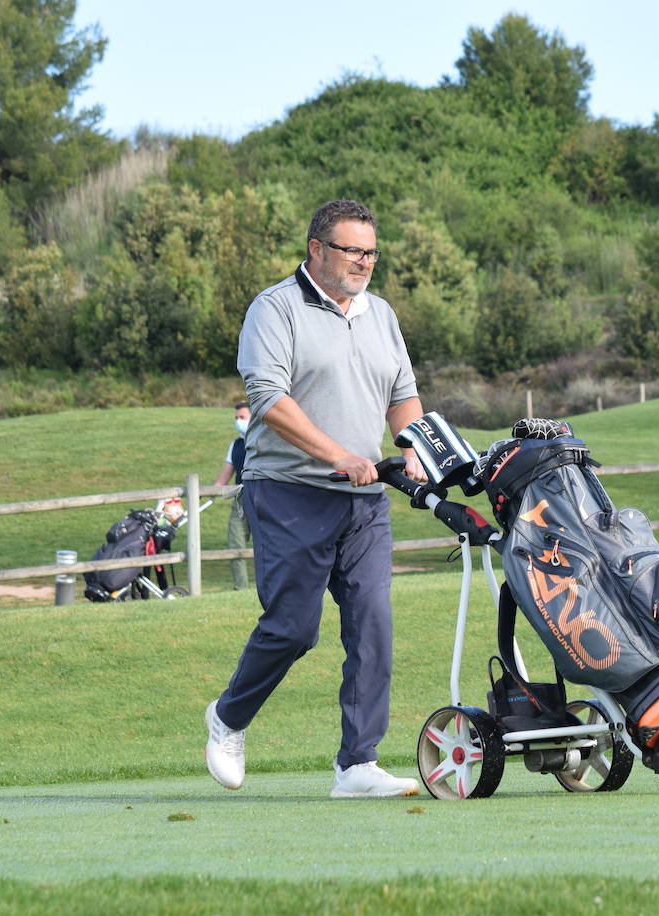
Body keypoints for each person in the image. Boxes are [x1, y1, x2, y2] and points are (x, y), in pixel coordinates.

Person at [204, 199, 428, 797]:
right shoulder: (275, 309)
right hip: (288, 493)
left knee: (373, 626)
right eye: (352, 250)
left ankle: (358, 764)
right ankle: (228, 717)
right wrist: (337, 455)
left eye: (371, 252)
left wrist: (414, 450)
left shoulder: (380, 313)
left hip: (364, 502)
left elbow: (403, 394)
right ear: (316, 250)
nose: (364, 262)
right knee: (293, 629)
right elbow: (268, 397)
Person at [212, 401, 252, 591]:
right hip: (239, 500)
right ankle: (241, 587)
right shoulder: (235, 444)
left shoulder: (266, 440)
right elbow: (225, 475)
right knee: (235, 542)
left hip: (263, 498)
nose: (238, 421)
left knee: (268, 546)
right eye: (236, 418)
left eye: (242, 417)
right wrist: (210, 492)